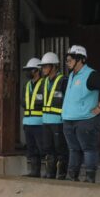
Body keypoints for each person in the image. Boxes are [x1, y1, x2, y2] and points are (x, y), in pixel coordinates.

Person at [61, 45, 100, 183]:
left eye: (71, 59)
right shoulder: (71, 76)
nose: (68, 62)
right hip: (69, 120)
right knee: (73, 149)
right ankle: (73, 177)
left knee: (88, 149)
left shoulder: (90, 75)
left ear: (81, 60)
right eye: (67, 59)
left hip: (86, 120)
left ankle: (90, 179)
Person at [39, 51, 67, 179]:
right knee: (48, 149)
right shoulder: (44, 82)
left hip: (58, 122)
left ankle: (61, 174)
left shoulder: (63, 81)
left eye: (46, 66)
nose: (43, 69)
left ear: (54, 66)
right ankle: (50, 173)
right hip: (46, 121)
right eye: (43, 66)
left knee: (60, 149)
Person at [21, 57, 46, 177]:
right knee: (31, 149)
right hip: (28, 122)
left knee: (43, 149)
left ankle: (48, 173)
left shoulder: (44, 84)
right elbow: (23, 102)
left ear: (37, 70)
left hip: (39, 123)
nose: (27, 72)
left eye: (30, 70)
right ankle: (34, 172)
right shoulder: (26, 85)